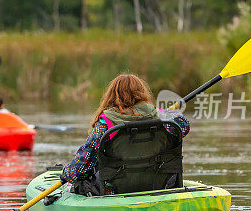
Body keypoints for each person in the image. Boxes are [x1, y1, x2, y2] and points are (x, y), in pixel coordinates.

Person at [60, 73, 190, 195]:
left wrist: (65, 173)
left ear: (111, 97)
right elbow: (184, 125)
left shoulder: (105, 125)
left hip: (114, 192)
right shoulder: (162, 117)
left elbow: (79, 170)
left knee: (84, 178)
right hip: (159, 185)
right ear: (142, 94)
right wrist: (163, 112)